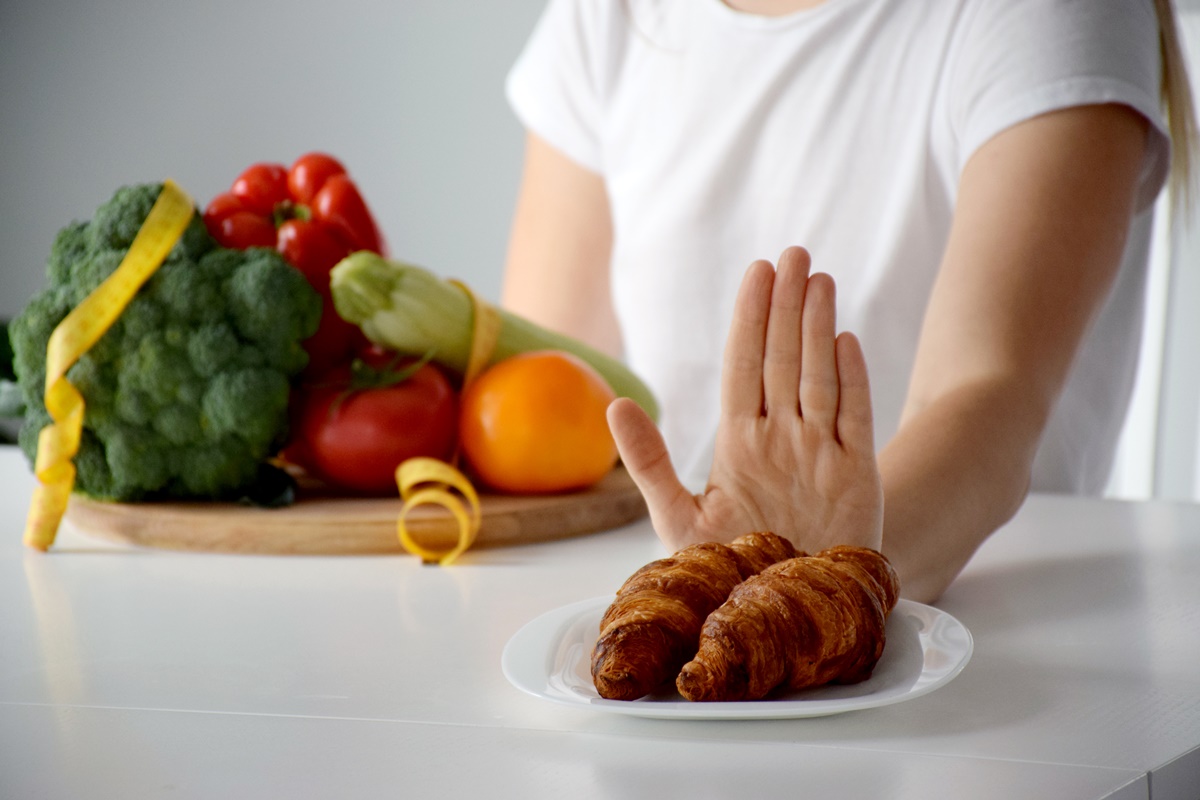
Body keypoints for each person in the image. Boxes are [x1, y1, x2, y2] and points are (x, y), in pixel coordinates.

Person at [500, 0, 1196, 602]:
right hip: (701, 630)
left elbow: (988, 395)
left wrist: (820, 573)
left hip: (988, 660)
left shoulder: (1047, 14)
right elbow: (541, 399)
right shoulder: (611, 15)